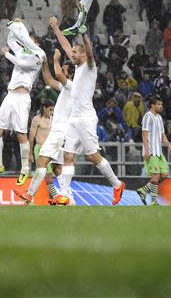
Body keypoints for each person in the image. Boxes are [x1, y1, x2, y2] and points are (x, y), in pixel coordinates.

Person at [50, 16, 125, 205]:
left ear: (82, 55)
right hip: (74, 120)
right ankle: (65, 195)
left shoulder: (90, 67)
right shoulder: (77, 66)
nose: (72, 55)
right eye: (72, 52)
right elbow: (66, 45)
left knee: (92, 156)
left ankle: (117, 184)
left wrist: (84, 35)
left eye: (75, 53)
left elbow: (90, 52)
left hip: (86, 118)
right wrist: (56, 28)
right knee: (68, 156)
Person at [0, 19, 46, 186]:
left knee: (20, 134)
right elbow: (11, 40)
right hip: (10, 96)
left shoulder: (38, 56)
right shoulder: (23, 51)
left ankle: (25, 168)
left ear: (37, 43)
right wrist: (16, 25)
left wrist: (6, 54)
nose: (27, 41)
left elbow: (21, 63)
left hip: (22, 98)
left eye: (31, 39)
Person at [14, 49, 76, 205]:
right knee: (57, 169)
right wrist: (44, 63)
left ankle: (30, 194)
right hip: (62, 132)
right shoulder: (65, 88)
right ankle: (68, 199)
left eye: (64, 70)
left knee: (42, 162)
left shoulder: (71, 86)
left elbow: (58, 76)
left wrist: (55, 59)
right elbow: (49, 80)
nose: (61, 72)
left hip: (61, 132)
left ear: (70, 75)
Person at [136, 96, 171, 205]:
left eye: (161, 104)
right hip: (151, 151)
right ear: (153, 105)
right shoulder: (147, 116)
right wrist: (147, 150)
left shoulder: (159, 117)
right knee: (156, 176)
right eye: (159, 104)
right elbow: (144, 134)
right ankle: (153, 201)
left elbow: (163, 135)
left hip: (159, 152)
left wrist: (169, 146)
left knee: (165, 175)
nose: (161, 106)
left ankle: (143, 190)